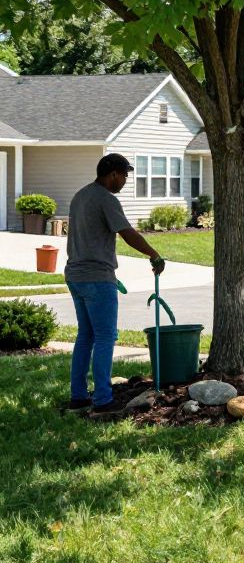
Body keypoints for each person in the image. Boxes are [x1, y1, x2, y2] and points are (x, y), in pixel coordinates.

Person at [66, 153, 165, 413]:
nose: (125, 181)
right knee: (105, 336)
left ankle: (78, 396)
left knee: (85, 336)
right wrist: (154, 254)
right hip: (97, 277)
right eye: (124, 176)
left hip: (75, 275)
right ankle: (102, 400)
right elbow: (127, 233)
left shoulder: (80, 196)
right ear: (113, 174)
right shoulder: (106, 199)